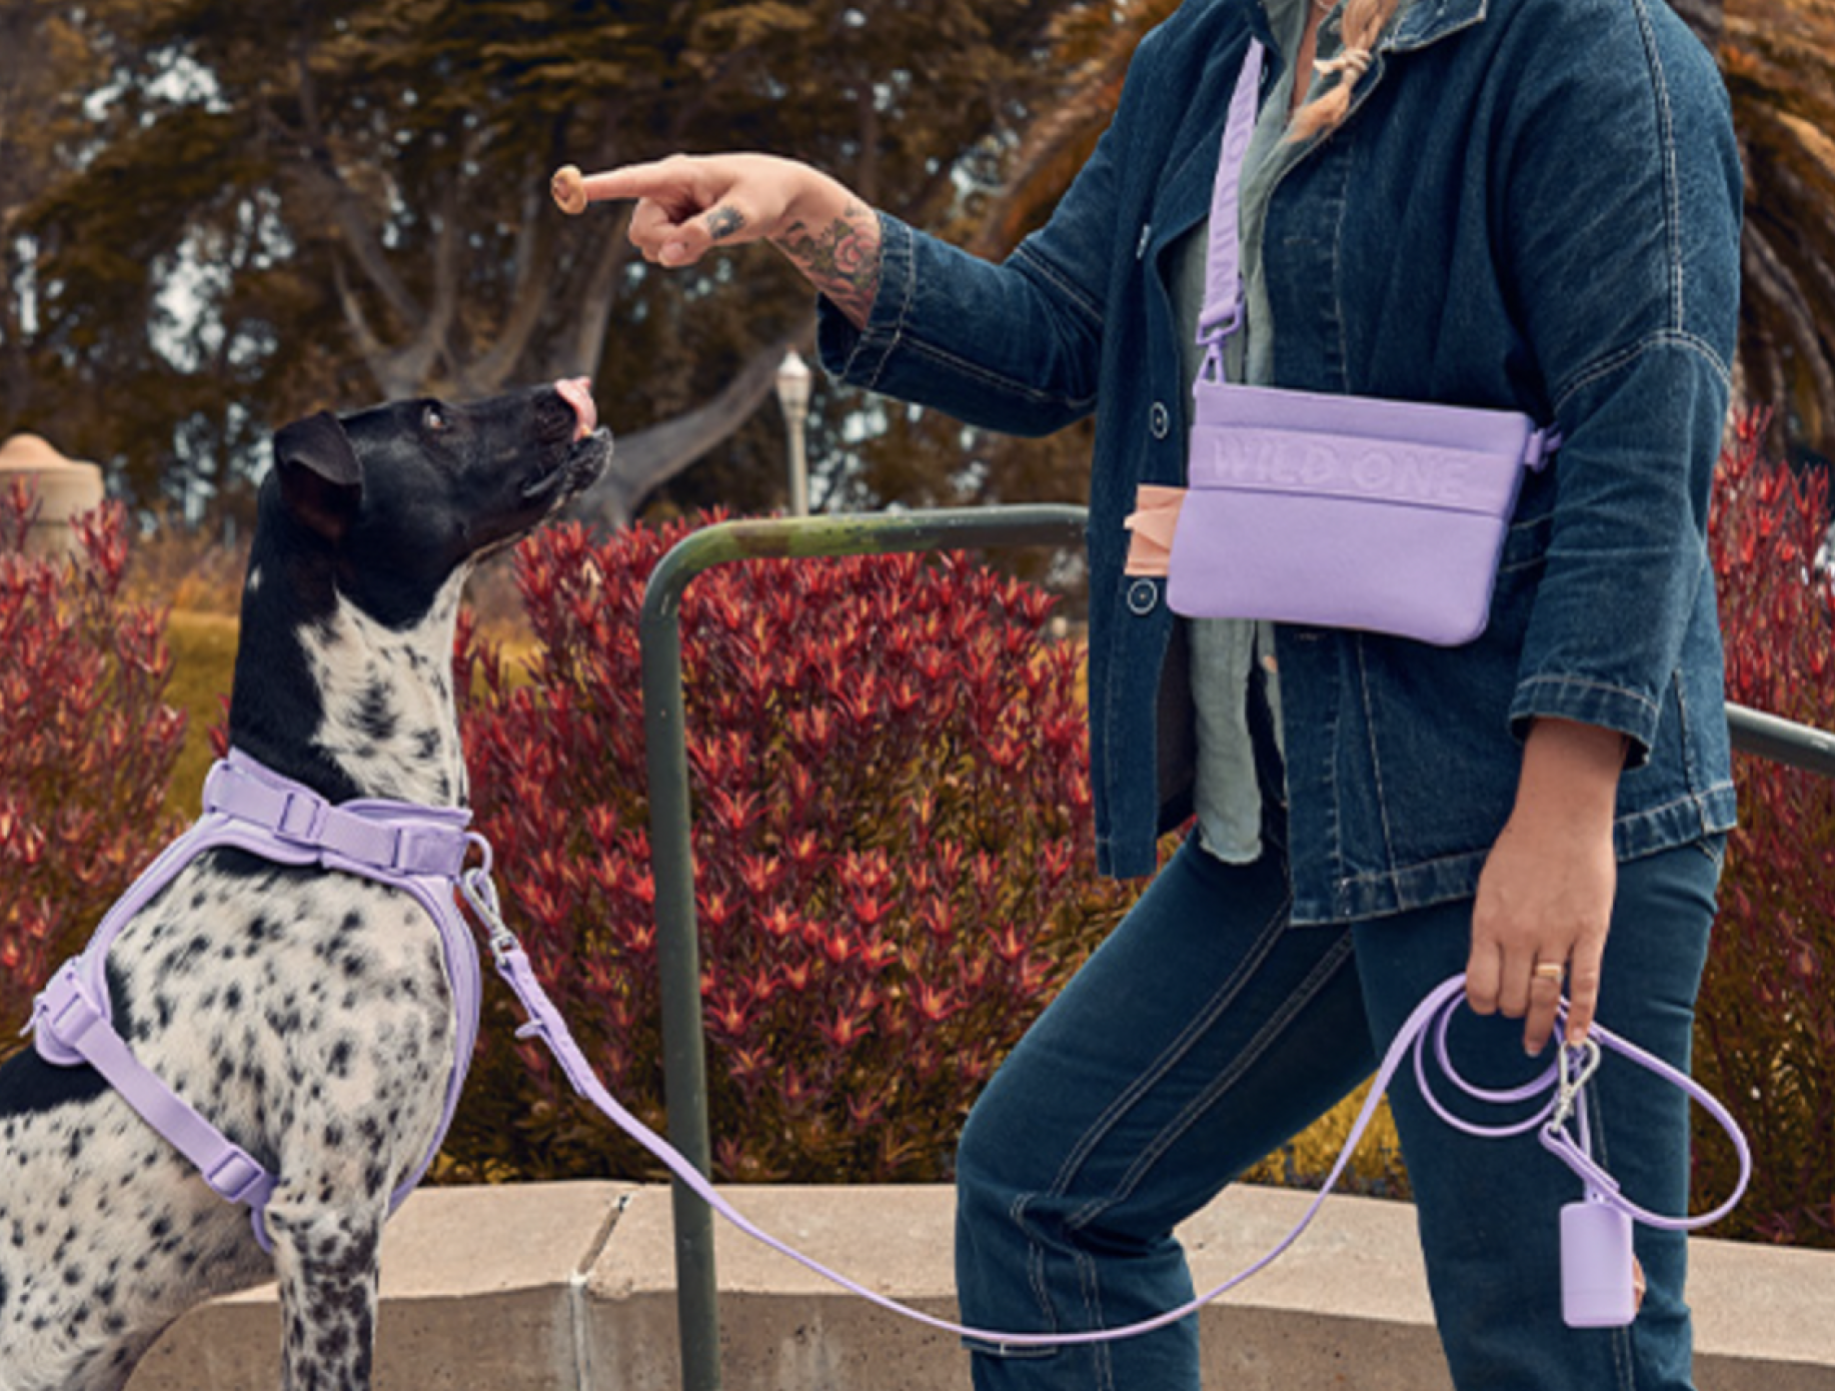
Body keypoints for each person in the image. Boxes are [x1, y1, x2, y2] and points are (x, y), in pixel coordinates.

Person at [577, 0, 1742, 1382]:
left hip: (1519, 802)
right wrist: (814, 218)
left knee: (1555, 1343)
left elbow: (1644, 424)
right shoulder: (1209, 57)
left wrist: (1564, 810)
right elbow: (1051, 337)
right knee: (1047, 1195)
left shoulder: (1589, 49)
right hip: (1301, 802)